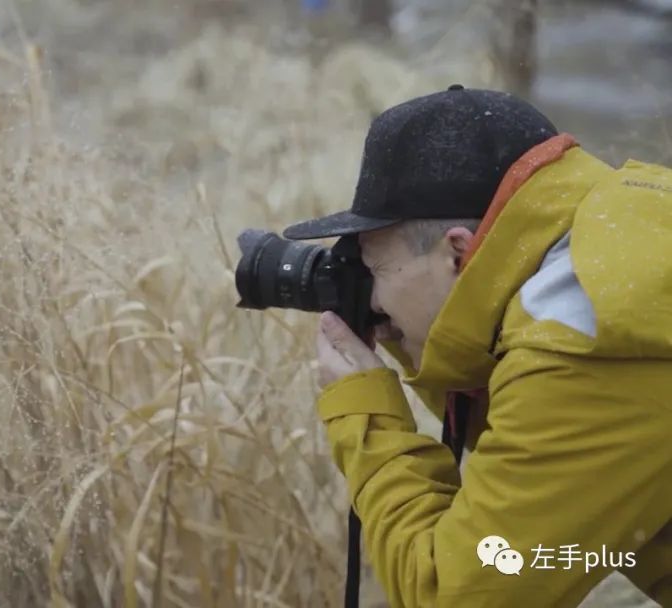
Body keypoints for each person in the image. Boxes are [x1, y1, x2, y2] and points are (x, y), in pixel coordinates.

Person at [283, 84, 672, 606]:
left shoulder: (581, 342)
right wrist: (434, 341)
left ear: (458, 253)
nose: (373, 296)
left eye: (376, 267)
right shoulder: (625, 243)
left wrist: (365, 413)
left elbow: (456, 591)